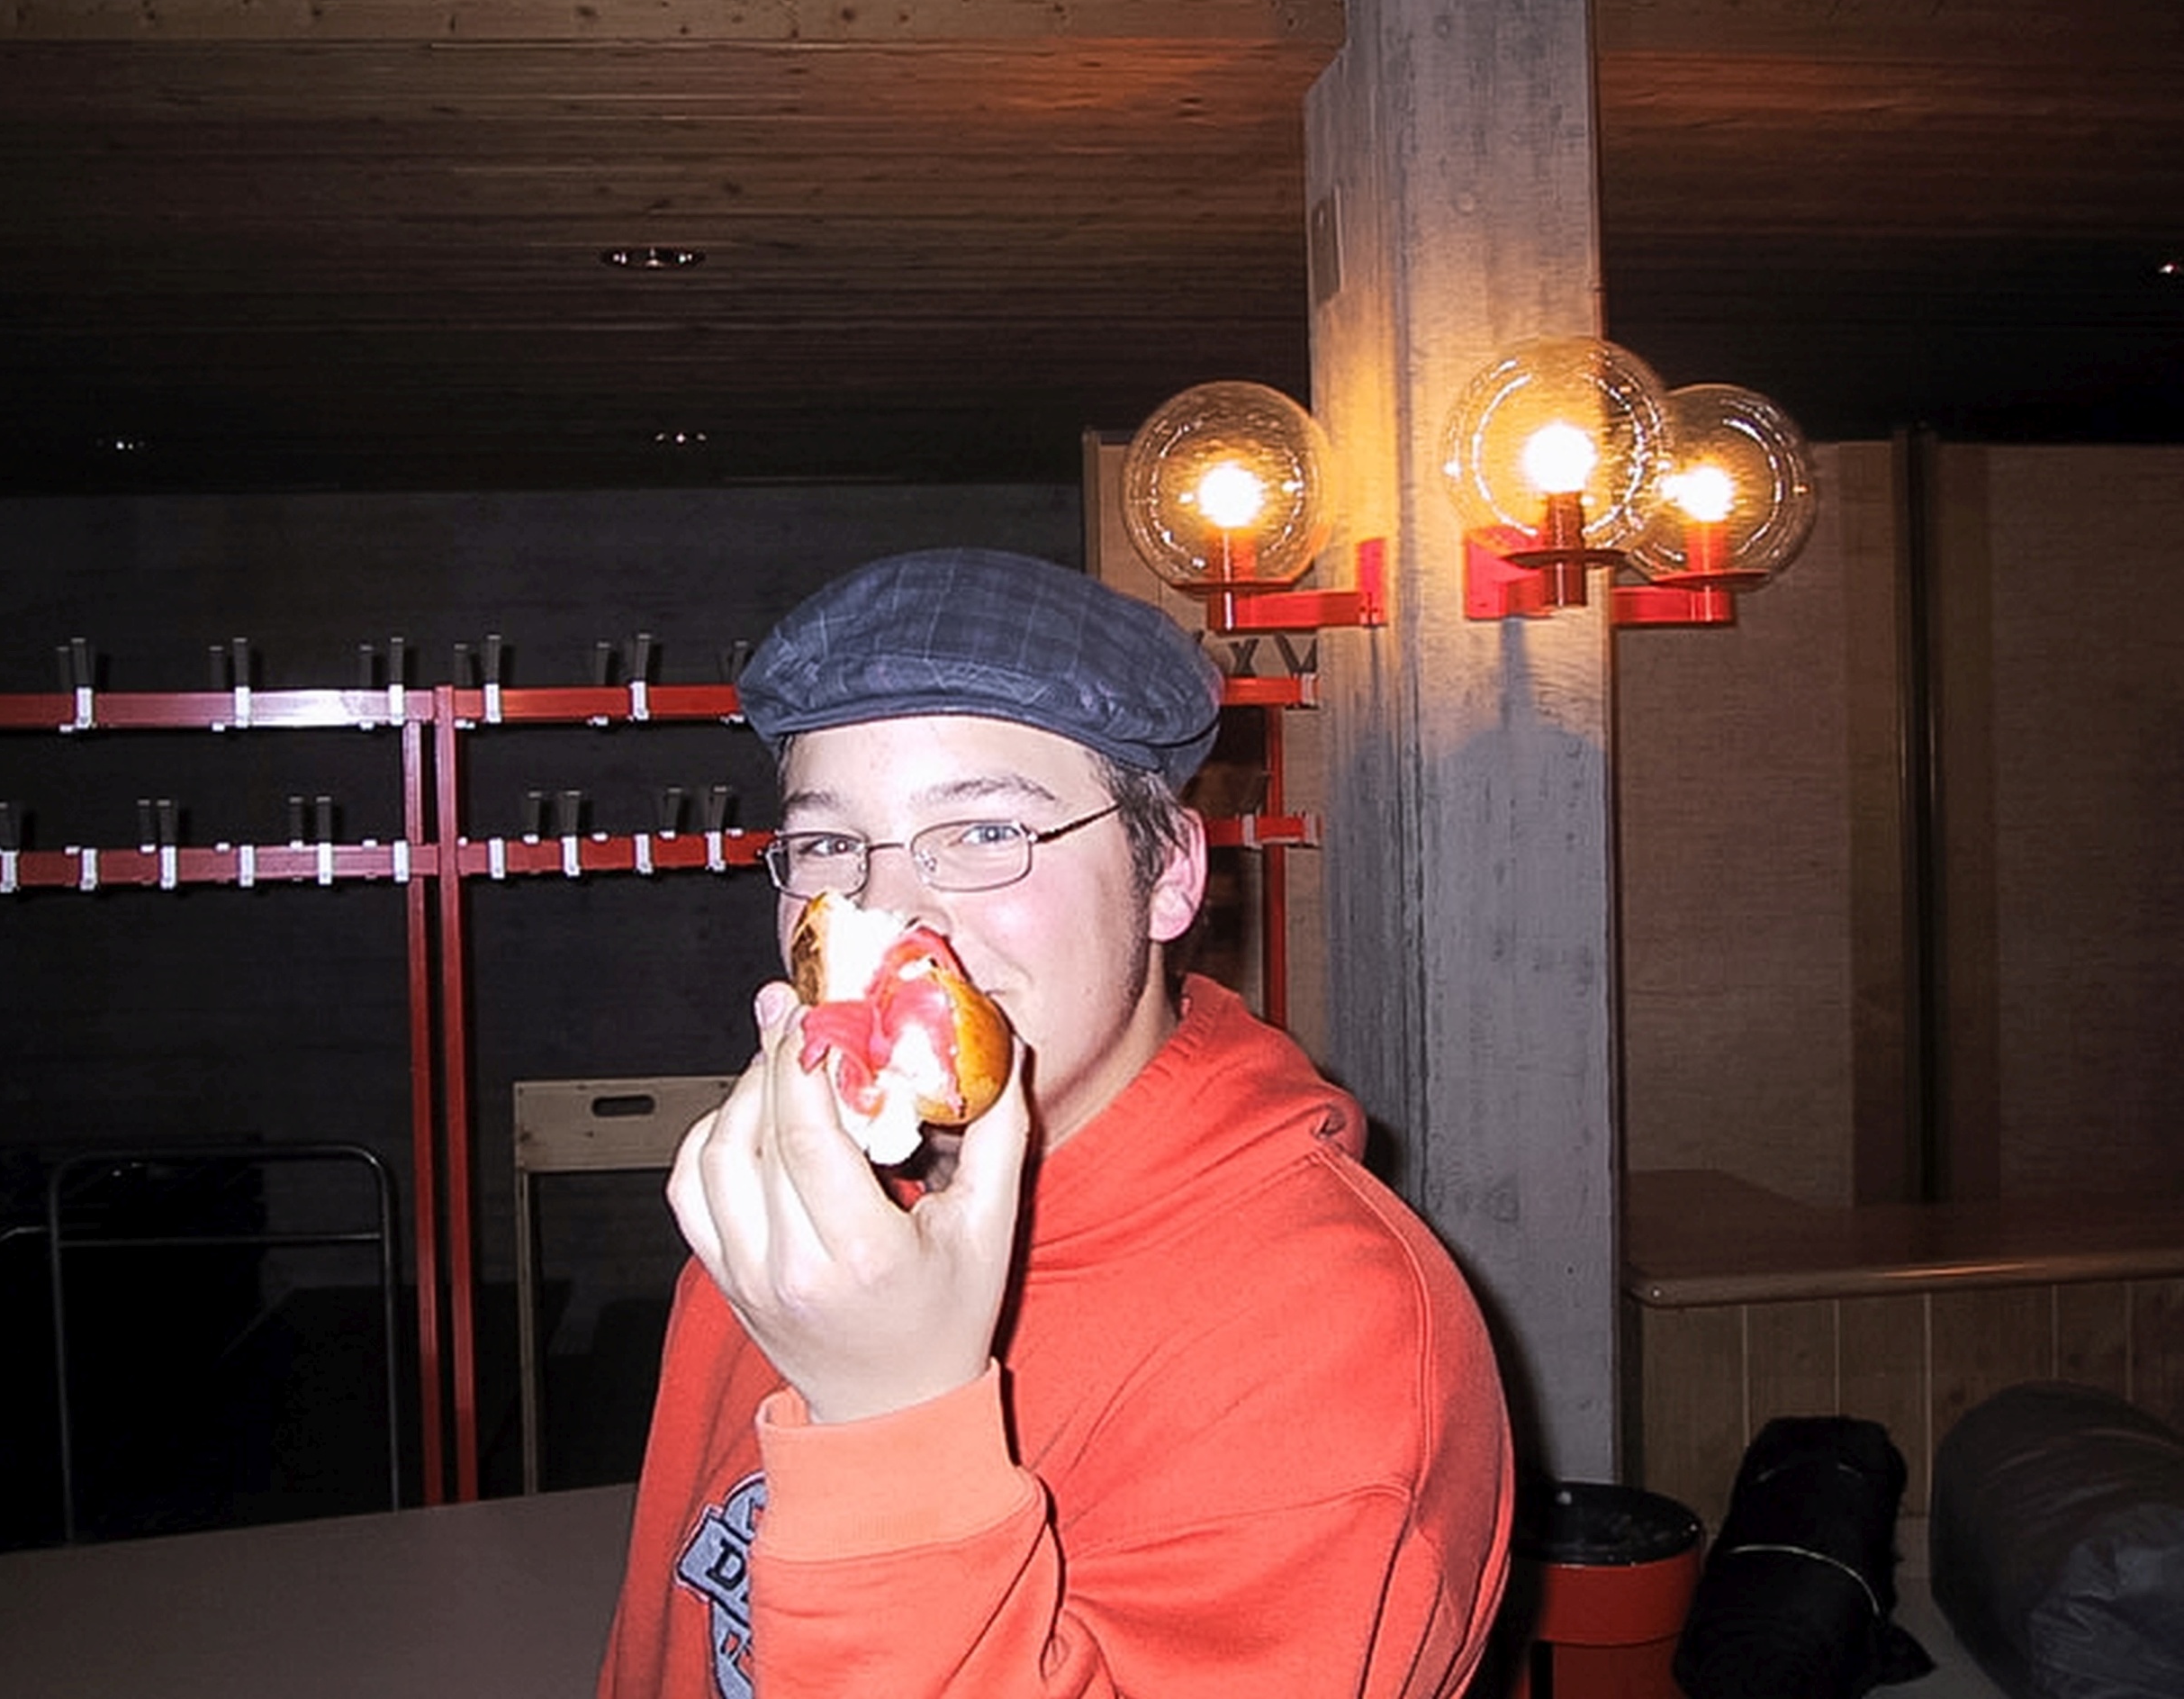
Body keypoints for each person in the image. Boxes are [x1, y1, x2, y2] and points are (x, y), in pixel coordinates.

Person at [597, 547, 1513, 1698]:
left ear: (1168, 873)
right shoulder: (799, 1214)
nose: (890, 914)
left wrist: (893, 1423)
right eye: (830, 845)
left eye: (987, 831)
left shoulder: (1337, 1341)